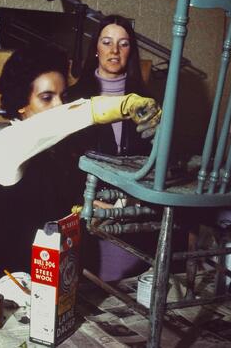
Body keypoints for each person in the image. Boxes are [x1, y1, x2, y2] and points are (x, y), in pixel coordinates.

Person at [0, 44, 160, 289]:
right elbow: (55, 122)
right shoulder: (6, 144)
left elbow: (58, 205)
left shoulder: (59, 152)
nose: (58, 106)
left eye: (63, 97)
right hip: (5, 286)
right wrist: (120, 106)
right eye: (46, 98)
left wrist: (92, 208)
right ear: (21, 103)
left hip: (51, 286)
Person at [68, 14, 162, 282]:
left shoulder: (147, 102)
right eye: (107, 42)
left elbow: (153, 159)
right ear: (95, 49)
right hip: (88, 208)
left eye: (123, 44)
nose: (114, 50)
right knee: (88, 287)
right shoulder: (75, 98)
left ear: (130, 52)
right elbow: (63, 161)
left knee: (131, 283)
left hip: (133, 210)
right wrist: (80, 198)